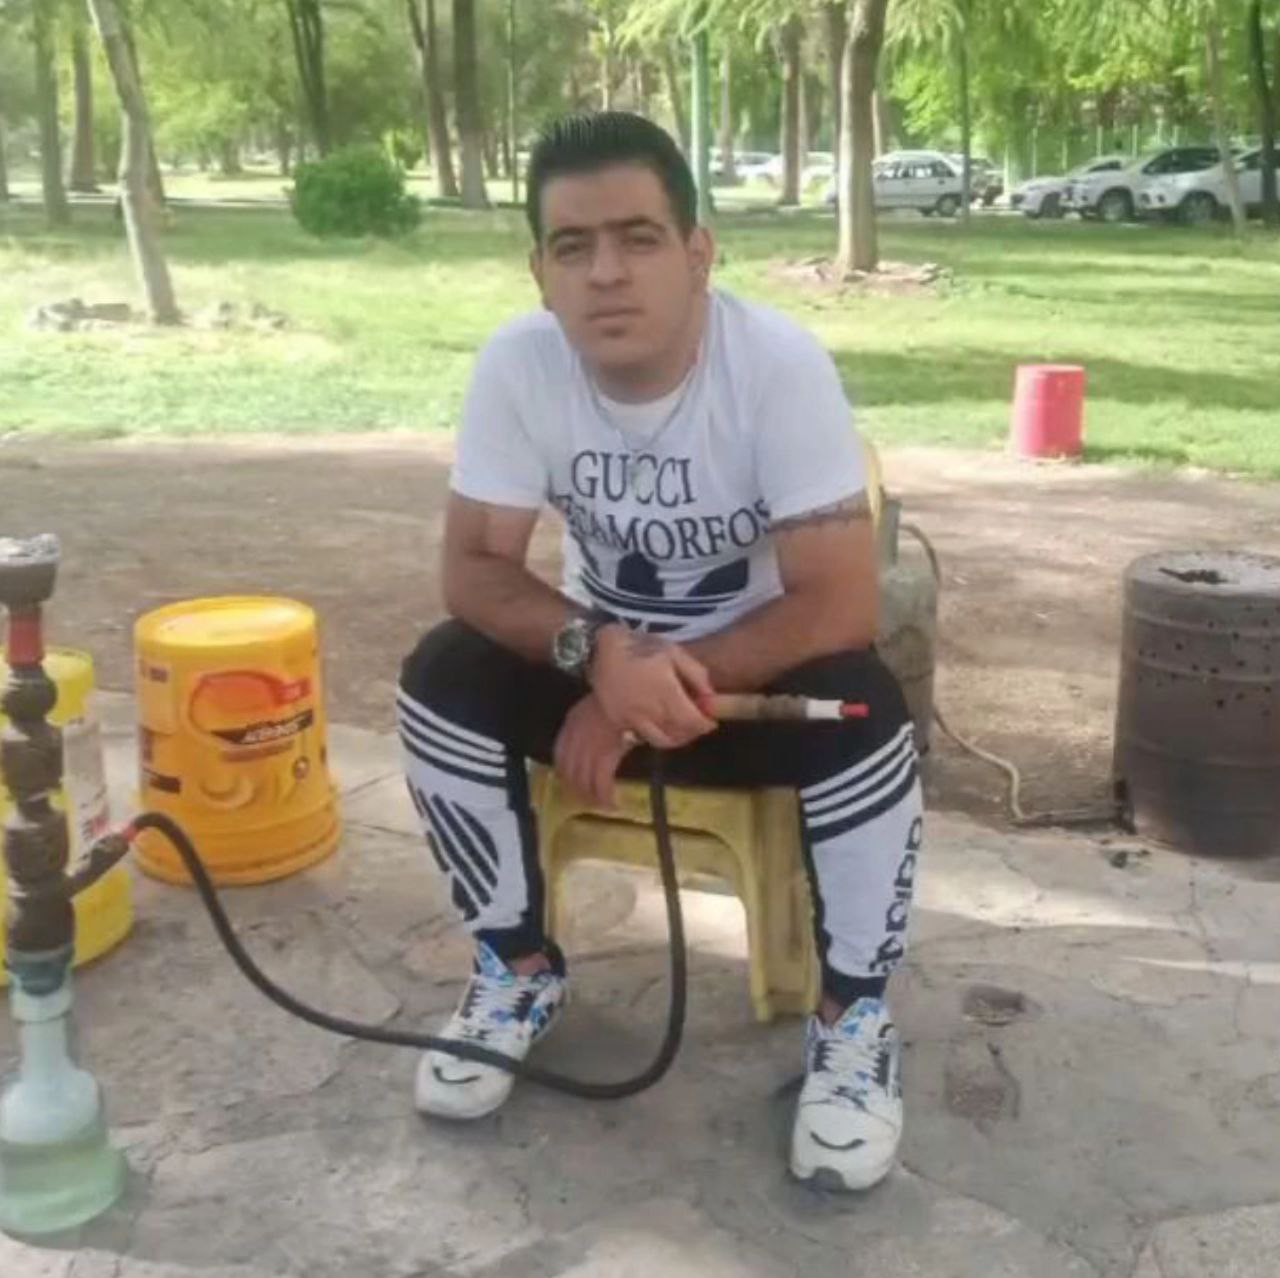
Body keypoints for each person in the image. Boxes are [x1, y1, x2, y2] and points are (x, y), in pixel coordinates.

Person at [397, 111, 923, 1192]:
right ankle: (516, 966)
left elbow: (840, 603)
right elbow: (474, 570)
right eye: (572, 246)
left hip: (746, 698)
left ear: (698, 252)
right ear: (540, 273)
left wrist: (634, 693)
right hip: (600, 674)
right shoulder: (519, 365)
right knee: (441, 673)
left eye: (638, 238)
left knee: (867, 708)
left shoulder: (775, 366)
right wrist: (598, 657)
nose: (605, 274)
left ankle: (852, 1020)